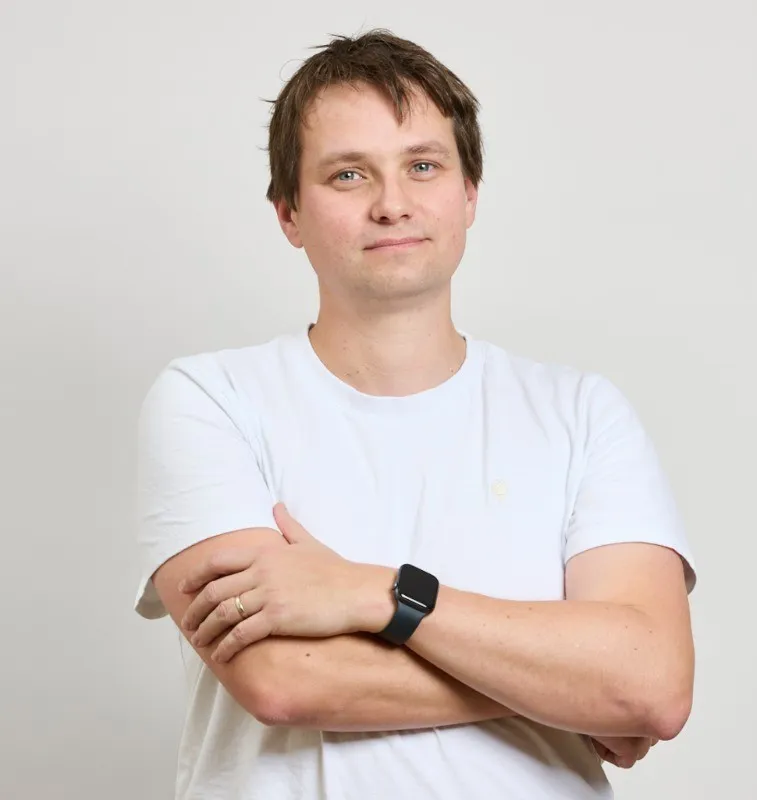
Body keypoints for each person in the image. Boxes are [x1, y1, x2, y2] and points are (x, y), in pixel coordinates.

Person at [134, 28, 697, 800]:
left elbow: (653, 684)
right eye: (348, 174)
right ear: (288, 214)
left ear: (469, 195)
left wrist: (376, 593)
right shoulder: (211, 400)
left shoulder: (582, 414)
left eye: (423, 166)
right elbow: (283, 680)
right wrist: (565, 688)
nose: (392, 204)